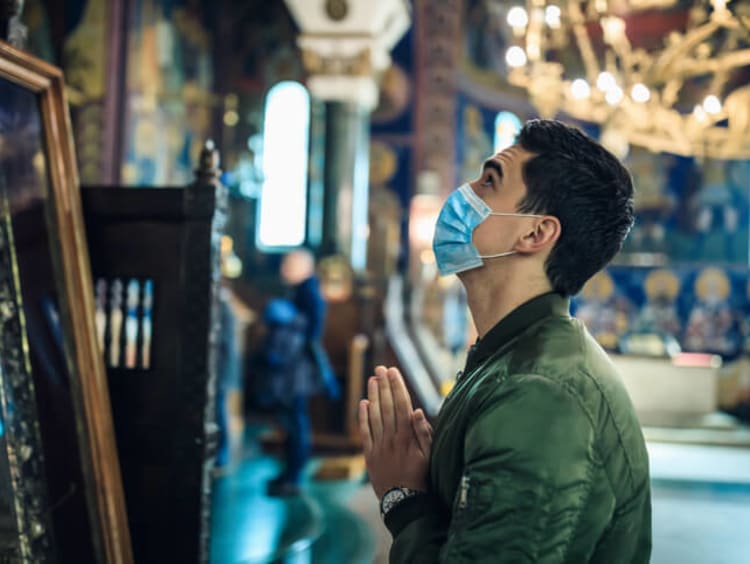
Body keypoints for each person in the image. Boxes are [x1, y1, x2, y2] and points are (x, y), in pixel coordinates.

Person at [359, 119, 652, 562]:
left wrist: (403, 502)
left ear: (535, 233)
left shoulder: (540, 395)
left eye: (489, 181)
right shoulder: (510, 356)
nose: (464, 193)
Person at [265, 249, 340, 496]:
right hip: (294, 367)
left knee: (296, 421)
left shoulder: (309, 292)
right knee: (291, 421)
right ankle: (289, 473)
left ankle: (294, 476)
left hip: (297, 369)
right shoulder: (301, 291)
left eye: (289, 265)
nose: (283, 270)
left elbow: (310, 334)